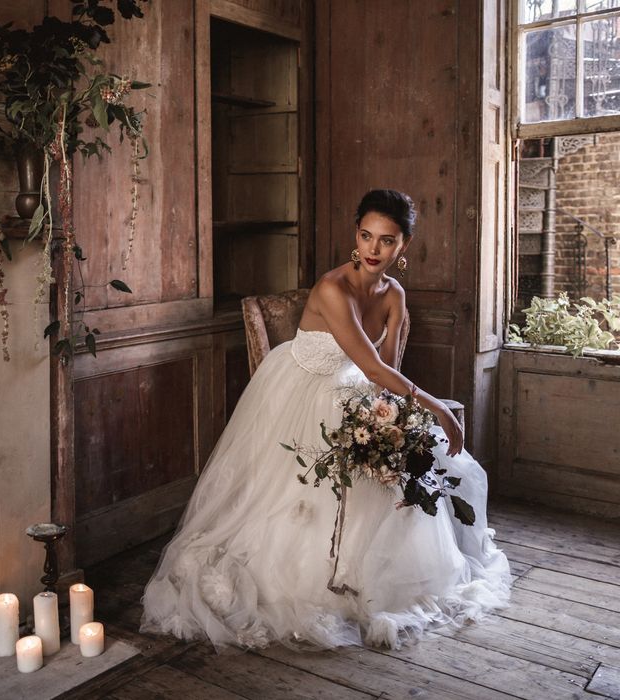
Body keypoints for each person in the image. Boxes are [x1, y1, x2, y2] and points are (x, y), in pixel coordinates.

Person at [141, 189, 511, 650]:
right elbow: (374, 367)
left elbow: (385, 374)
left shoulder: (394, 294)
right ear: (356, 235)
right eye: (366, 236)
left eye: (387, 241)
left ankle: (383, 570)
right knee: (300, 495)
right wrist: (436, 407)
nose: (375, 249)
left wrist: (393, 423)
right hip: (300, 386)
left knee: (393, 468)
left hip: (353, 388)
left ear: (404, 247)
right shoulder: (332, 289)